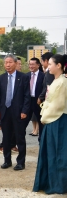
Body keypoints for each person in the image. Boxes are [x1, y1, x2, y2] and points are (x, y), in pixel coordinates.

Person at [33, 54, 67, 194]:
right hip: (51, 120)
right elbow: (49, 101)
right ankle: (48, 181)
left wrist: (44, 116)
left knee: (57, 154)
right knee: (50, 153)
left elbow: (57, 105)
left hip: (57, 120)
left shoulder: (62, 82)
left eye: (51, 64)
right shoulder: (56, 80)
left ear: (59, 65)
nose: (48, 67)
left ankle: (58, 184)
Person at [0, 54, 30, 171]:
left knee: (20, 137)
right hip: (5, 112)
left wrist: (24, 110)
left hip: (19, 112)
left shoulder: (23, 77)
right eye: (6, 62)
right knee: (6, 138)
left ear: (15, 63)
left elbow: (27, 96)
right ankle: (7, 160)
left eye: (10, 62)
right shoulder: (2, 78)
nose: (8, 65)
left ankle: (20, 162)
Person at [25, 58, 44, 137]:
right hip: (28, 101)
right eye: (30, 64)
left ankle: (42, 141)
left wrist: (40, 98)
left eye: (33, 64)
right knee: (23, 122)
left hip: (38, 101)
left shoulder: (43, 76)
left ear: (38, 65)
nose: (31, 66)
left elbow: (45, 89)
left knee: (41, 122)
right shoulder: (26, 76)